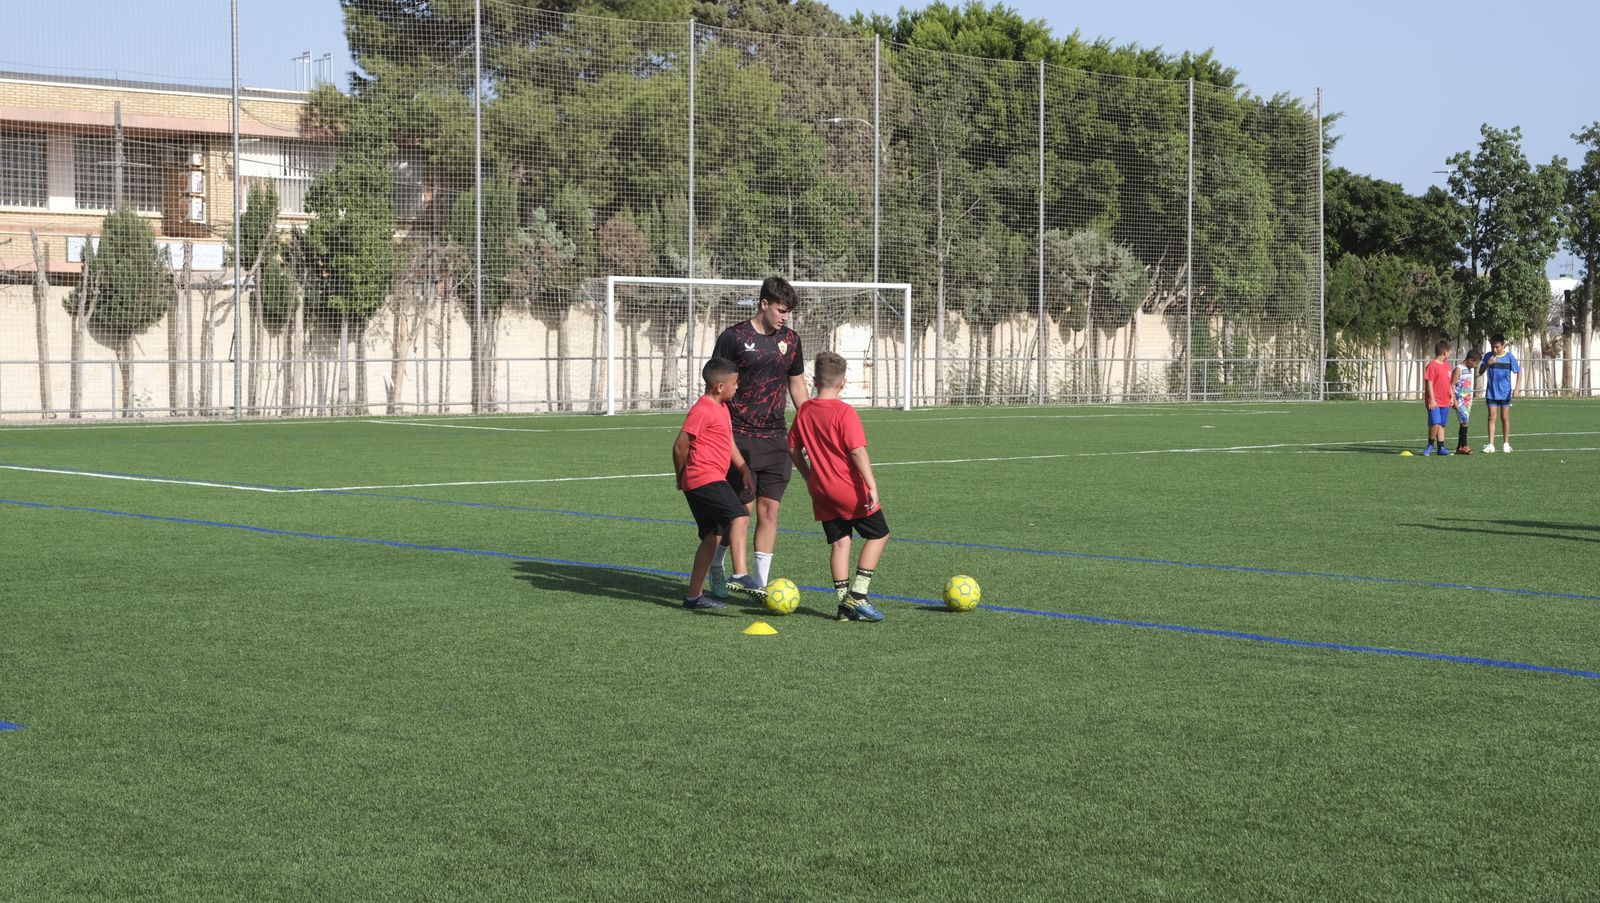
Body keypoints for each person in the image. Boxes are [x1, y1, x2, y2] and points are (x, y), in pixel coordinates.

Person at [707, 276, 809, 598]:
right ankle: (717, 567)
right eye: (780, 310)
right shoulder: (733, 337)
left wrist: (810, 425)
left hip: (775, 438)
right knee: (741, 512)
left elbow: (796, 384)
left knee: (770, 512)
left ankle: (761, 586)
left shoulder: (791, 340)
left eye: (789, 311)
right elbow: (715, 386)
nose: (785, 317)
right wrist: (715, 429)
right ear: (763, 304)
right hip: (738, 438)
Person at [788, 351, 888, 623]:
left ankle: (844, 608)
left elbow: (793, 449)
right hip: (847, 488)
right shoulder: (845, 412)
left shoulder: (805, 411)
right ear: (843, 383)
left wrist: (808, 476)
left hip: (820, 490)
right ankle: (859, 593)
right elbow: (857, 451)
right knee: (879, 534)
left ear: (813, 381)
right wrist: (871, 485)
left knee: (841, 543)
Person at [672, 358, 754, 612]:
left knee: (712, 537)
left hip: (705, 478)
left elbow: (727, 443)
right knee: (740, 515)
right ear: (719, 386)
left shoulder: (722, 408)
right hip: (704, 477)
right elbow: (679, 446)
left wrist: (743, 469)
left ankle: (693, 597)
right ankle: (740, 573)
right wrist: (680, 475)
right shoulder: (703, 409)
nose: (737, 388)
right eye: (734, 384)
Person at [1479, 334, 1519, 453]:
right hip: (1491, 392)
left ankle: (1506, 443)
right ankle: (1491, 445)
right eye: (1492, 347)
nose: (1494, 349)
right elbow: (1480, 371)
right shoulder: (1488, 356)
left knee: (1504, 417)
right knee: (1492, 417)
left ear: (1503, 345)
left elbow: (1518, 371)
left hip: (1505, 392)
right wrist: (1488, 364)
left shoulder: (1509, 357)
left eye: (1496, 347)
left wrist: (1517, 388)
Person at [1421, 339, 1454, 456]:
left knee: (1441, 424)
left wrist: (1451, 396)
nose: (1450, 354)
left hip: (1445, 400)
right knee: (1435, 423)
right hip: (1434, 401)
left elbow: (1449, 383)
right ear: (1444, 352)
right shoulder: (1432, 365)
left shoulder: (1447, 366)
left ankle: (1441, 448)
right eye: (1449, 352)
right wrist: (1432, 399)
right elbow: (1429, 382)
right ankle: (1430, 445)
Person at [1451, 348, 1480, 455]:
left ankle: (1459, 446)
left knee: (1463, 422)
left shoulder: (1468, 369)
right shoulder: (1459, 369)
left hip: (1467, 400)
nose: (1476, 366)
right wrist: (1454, 400)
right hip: (1459, 399)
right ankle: (1465, 445)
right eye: (1476, 363)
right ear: (1470, 360)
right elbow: (1451, 385)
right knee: (1465, 421)